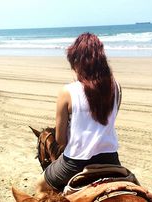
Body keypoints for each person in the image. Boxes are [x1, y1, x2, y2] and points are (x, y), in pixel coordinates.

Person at [36, 32, 122, 194]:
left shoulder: (67, 91)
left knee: (40, 186)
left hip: (76, 162)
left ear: (76, 62)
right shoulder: (116, 87)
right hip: (111, 159)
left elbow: (61, 140)